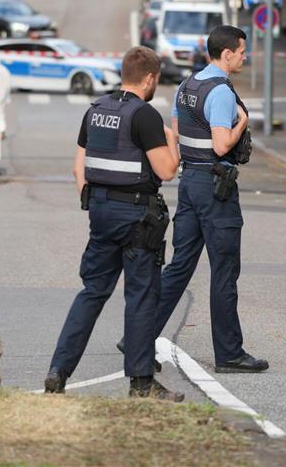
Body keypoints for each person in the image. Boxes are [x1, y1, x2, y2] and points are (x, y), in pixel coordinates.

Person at [45, 46, 183, 400]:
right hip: (137, 217)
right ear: (150, 78)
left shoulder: (96, 110)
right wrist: (173, 143)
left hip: (101, 214)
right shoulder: (145, 115)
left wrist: (96, 204)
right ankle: (141, 384)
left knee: (91, 293)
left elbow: (79, 168)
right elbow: (166, 170)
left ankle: (58, 373)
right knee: (140, 297)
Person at [155, 25, 268, 373]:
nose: (245, 57)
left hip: (190, 182)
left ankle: (137, 335)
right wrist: (242, 122)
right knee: (223, 271)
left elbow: (174, 131)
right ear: (227, 53)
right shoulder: (220, 91)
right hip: (215, 187)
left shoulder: (187, 85)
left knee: (179, 266)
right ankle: (230, 354)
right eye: (242, 51)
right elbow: (221, 145)